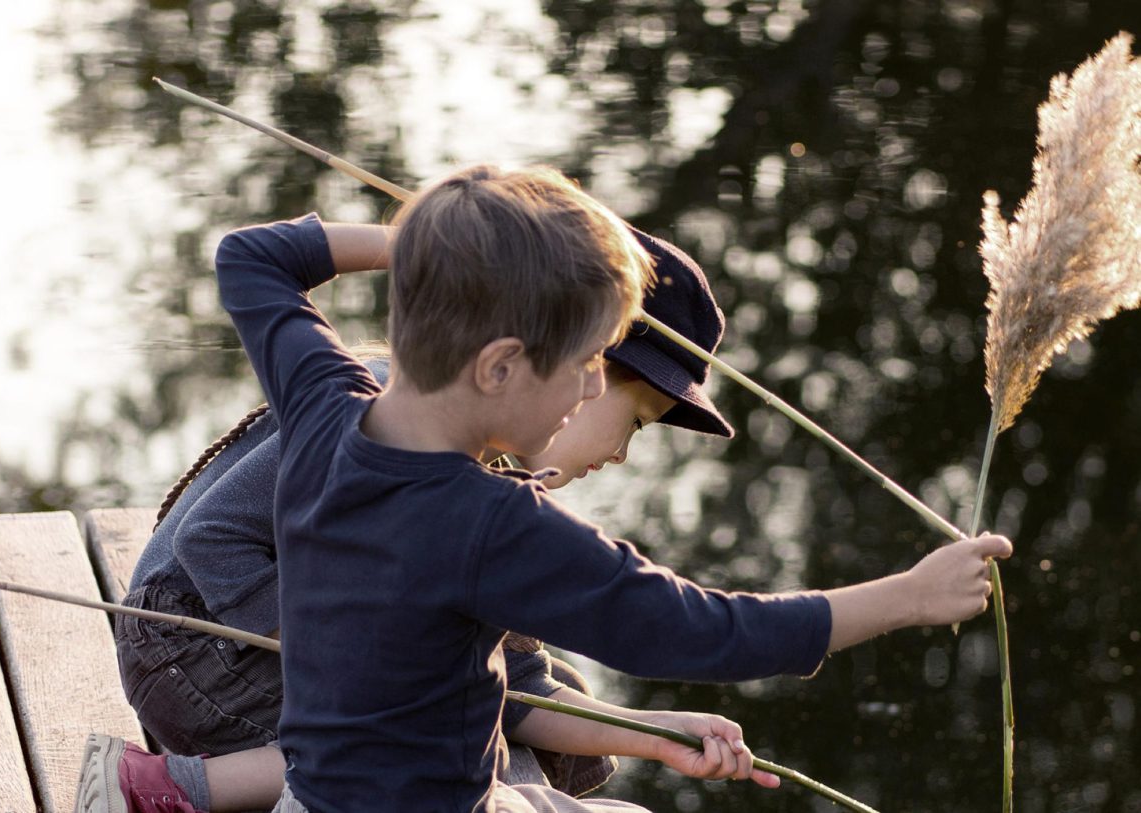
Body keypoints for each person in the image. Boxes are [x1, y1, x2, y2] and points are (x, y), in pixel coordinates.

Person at [83, 164, 1009, 813]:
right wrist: (908, 595)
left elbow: (252, 256)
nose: (593, 386)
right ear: (499, 366)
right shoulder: (490, 523)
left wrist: (428, 249)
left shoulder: (327, 401)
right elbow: (705, 628)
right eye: (589, 362)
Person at [77, 213, 759, 813]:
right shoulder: (382, 420)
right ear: (574, 359)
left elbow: (523, 687)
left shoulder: (493, 489)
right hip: (191, 648)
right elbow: (212, 540)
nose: (621, 455)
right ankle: (167, 789)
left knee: (518, 689)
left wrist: (659, 733)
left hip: (240, 654)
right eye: (634, 422)